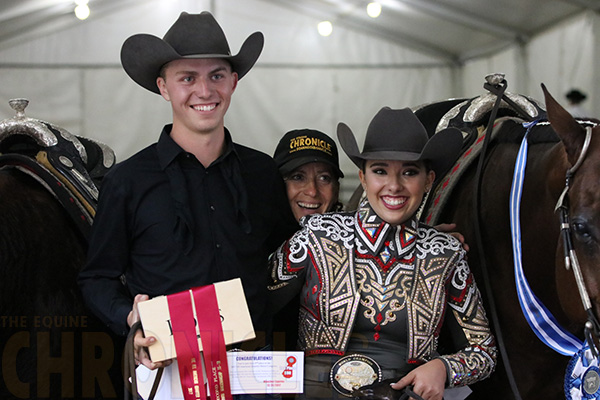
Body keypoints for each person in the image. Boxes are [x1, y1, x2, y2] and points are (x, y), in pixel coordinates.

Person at [77, 10, 298, 398]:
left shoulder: (262, 172)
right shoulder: (128, 181)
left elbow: (290, 257)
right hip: (168, 374)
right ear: (164, 88)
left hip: (255, 369)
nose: (205, 91)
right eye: (187, 78)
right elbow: (96, 278)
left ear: (234, 82)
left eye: (216, 75)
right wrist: (130, 317)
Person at [268, 107, 496, 400]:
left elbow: (484, 352)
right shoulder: (318, 236)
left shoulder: (445, 254)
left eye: (409, 172)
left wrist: (443, 368)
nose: (394, 186)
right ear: (363, 177)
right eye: (380, 170)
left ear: (428, 180)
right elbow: (253, 301)